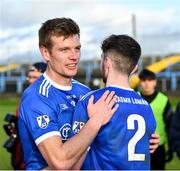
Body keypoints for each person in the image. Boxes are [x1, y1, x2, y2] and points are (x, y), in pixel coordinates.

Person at [18, 18, 119, 170]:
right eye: (64, 50)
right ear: (46, 52)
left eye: (77, 48)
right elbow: (60, 163)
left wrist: (142, 137)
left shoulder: (85, 92)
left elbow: (106, 141)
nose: (74, 56)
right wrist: (96, 120)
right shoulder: (37, 97)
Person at [70, 34, 157, 170]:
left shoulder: (92, 101)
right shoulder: (146, 106)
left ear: (107, 62)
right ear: (134, 68)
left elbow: (73, 163)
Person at [11, 62, 47, 170]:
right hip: (23, 155)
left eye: (35, 77)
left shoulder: (49, 100)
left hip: (41, 159)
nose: (31, 81)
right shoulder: (25, 97)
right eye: (29, 77)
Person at [138, 68, 173, 170]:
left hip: (159, 147)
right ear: (140, 82)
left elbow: (170, 125)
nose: (146, 83)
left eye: (149, 80)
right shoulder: (133, 98)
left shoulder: (164, 100)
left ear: (155, 82)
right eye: (144, 80)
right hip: (138, 147)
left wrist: (171, 147)